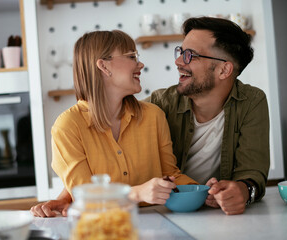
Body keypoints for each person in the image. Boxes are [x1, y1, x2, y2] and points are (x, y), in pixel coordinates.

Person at [31, 30, 197, 218]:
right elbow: (86, 198)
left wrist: (206, 191)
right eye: (131, 56)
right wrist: (136, 193)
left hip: (159, 226)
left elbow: (171, 175)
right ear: (104, 66)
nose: (140, 64)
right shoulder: (68, 127)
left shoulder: (154, 116)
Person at [147, 16, 270, 215]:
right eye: (180, 52)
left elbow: (252, 174)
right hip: (163, 214)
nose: (178, 62)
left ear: (224, 70)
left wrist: (244, 191)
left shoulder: (251, 102)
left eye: (191, 55)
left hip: (218, 220)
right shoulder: (160, 103)